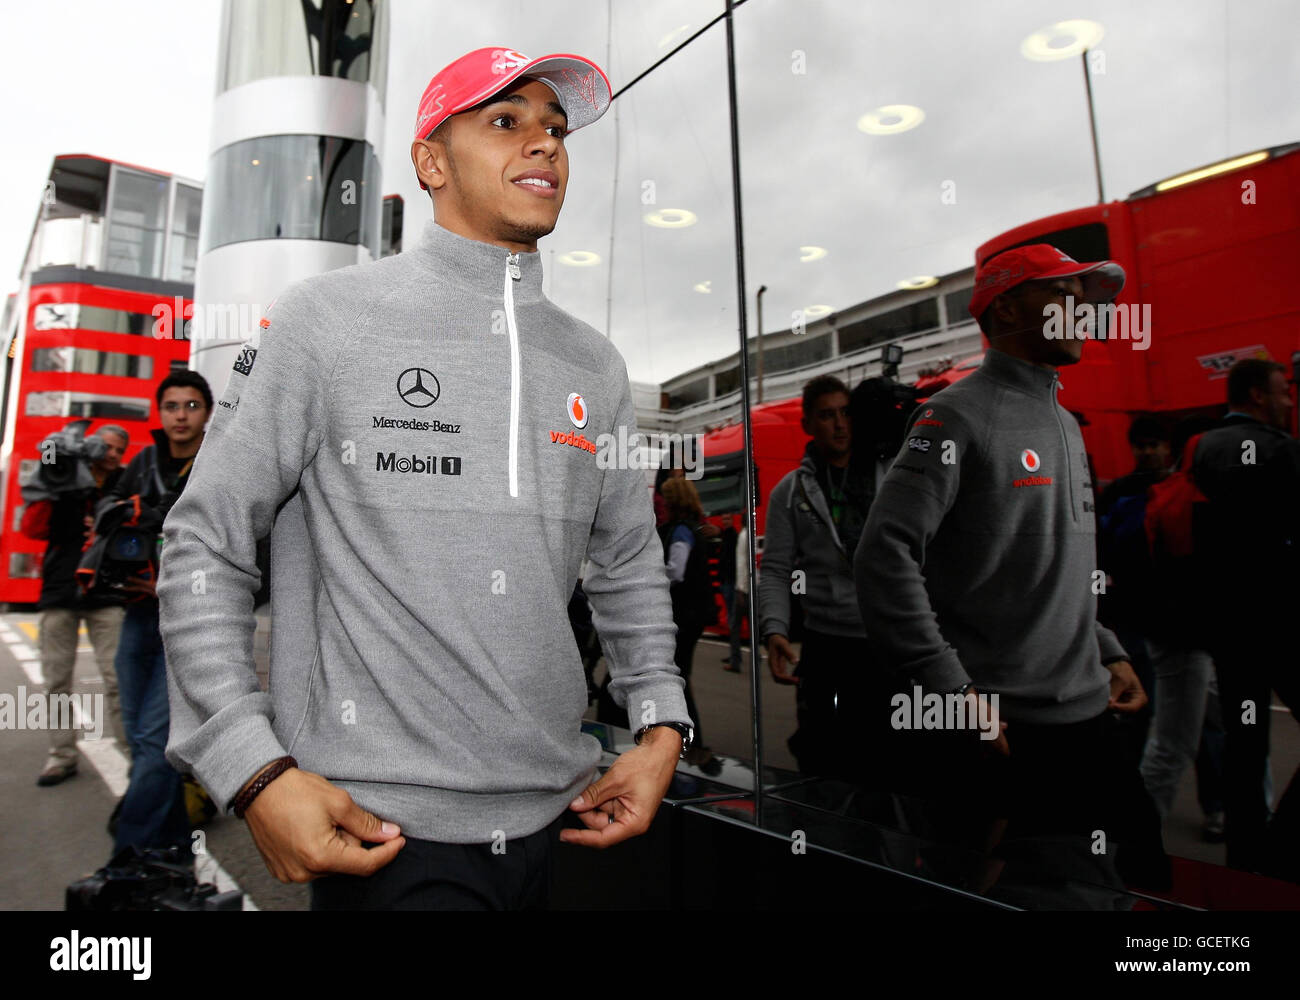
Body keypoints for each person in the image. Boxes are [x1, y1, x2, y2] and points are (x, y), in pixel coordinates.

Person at [158, 46, 693, 910]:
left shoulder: (594, 366)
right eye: (507, 122)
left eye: (556, 129)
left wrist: (662, 721)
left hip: (569, 817)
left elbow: (629, 563)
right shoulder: (325, 322)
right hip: (387, 837)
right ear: (432, 163)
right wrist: (251, 770)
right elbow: (202, 542)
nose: (546, 145)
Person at [855, 243, 1167, 888]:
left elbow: (1057, 560)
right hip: (1001, 732)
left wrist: (1106, 647)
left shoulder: (1065, 422)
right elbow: (884, 556)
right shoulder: (953, 415)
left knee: (1138, 880)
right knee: (1026, 891)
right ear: (1004, 308)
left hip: (1087, 718)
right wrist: (951, 692)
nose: (1081, 310)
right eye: (1062, 294)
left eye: (1086, 298)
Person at [1190, 357, 1300, 881]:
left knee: (1245, 741)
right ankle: (1281, 849)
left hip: (1229, 629)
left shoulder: (1204, 449)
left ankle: (1247, 864)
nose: (1288, 401)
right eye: (1283, 392)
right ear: (1257, 395)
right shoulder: (1281, 450)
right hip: (1282, 623)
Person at [108, 371, 212, 858]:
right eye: (172, 406)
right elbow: (112, 524)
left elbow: (247, 547)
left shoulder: (218, 464)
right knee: (140, 738)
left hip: (190, 622)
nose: (181, 415)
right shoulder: (143, 462)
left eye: (192, 406)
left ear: (208, 413)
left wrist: (170, 582)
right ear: (160, 412)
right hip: (136, 614)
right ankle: (173, 847)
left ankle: (128, 857)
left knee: (154, 738)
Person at [758, 375, 881, 780]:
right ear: (808, 424)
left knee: (887, 758)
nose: (840, 424)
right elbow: (775, 569)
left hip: (889, 643)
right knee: (821, 752)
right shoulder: (790, 492)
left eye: (846, 412)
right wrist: (775, 628)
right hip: (824, 645)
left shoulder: (890, 474)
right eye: (827, 416)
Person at [24, 424, 129, 786]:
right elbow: (31, 527)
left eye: (117, 450)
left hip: (107, 593)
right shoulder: (64, 475)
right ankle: (61, 755)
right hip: (59, 590)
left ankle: (132, 754)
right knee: (56, 680)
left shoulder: (124, 486)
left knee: (117, 678)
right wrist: (54, 487)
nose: (109, 456)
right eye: (104, 448)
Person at [660, 477, 715, 762]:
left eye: (667, 497)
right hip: (696, 611)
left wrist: (652, 577)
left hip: (685, 613)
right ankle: (690, 737)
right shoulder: (694, 527)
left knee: (678, 675)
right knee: (681, 673)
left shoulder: (681, 531)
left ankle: (691, 739)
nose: (663, 503)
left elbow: (675, 571)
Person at [725, 520, 749, 673]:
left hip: (742, 589)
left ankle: (735, 661)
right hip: (752, 588)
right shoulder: (752, 534)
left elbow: (741, 563)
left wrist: (740, 588)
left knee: (734, 626)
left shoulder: (743, 536)